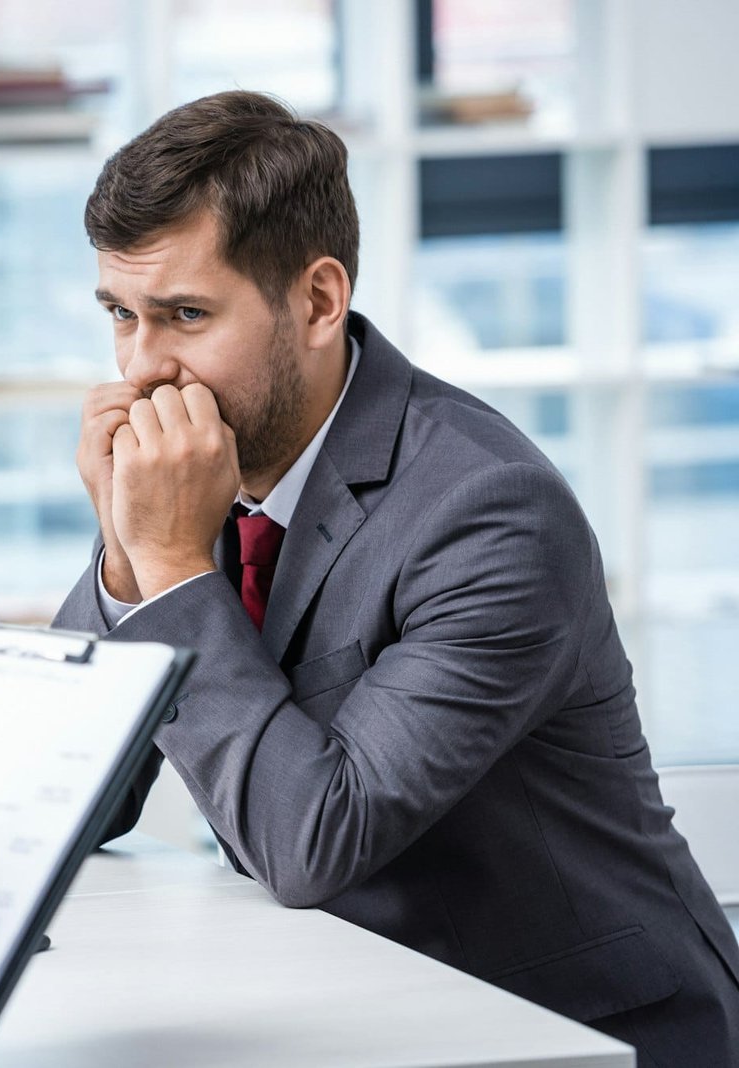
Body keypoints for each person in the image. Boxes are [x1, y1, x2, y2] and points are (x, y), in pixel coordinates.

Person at [53, 90, 739, 1065]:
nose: (142, 367)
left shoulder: (488, 511)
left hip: (579, 1034)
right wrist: (126, 552)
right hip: (365, 1007)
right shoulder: (201, 481)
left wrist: (163, 564)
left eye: (185, 315)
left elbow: (307, 843)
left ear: (319, 301)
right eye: (120, 315)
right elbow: (71, 800)